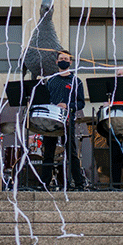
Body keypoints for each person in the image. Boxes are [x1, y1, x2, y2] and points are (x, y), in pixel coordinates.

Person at [40, 50, 86, 191]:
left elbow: (81, 103)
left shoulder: (76, 81)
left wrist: (68, 106)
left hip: (67, 120)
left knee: (71, 152)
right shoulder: (51, 80)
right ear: (56, 62)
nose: (63, 60)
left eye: (66, 58)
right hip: (51, 121)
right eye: (61, 58)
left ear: (70, 62)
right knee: (48, 152)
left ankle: (78, 183)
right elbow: (44, 99)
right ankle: (45, 184)